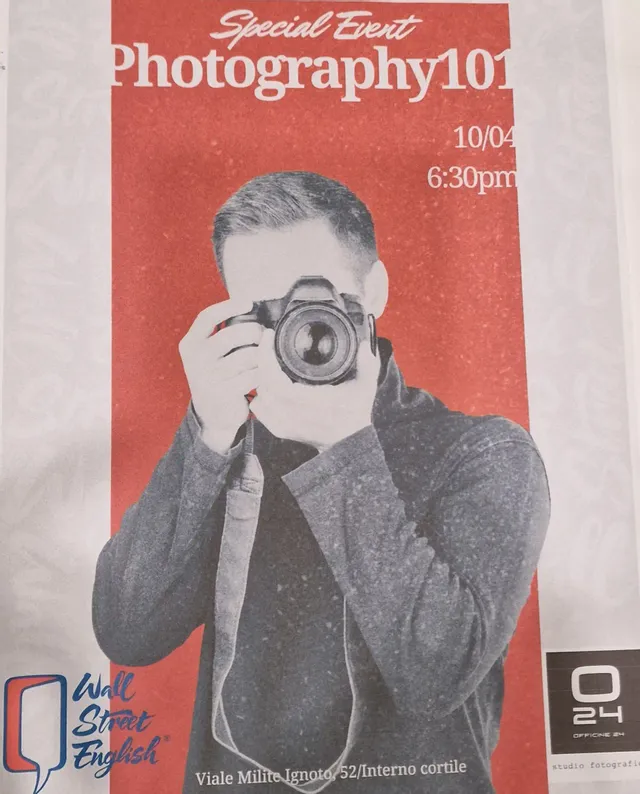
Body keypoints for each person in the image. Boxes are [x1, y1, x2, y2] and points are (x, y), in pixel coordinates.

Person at [92, 171, 550, 794]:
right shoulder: (229, 448)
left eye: (318, 300)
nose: (300, 330)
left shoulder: (484, 453)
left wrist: (343, 449)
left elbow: (437, 677)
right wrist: (206, 431)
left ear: (374, 290)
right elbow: (126, 632)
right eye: (265, 311)